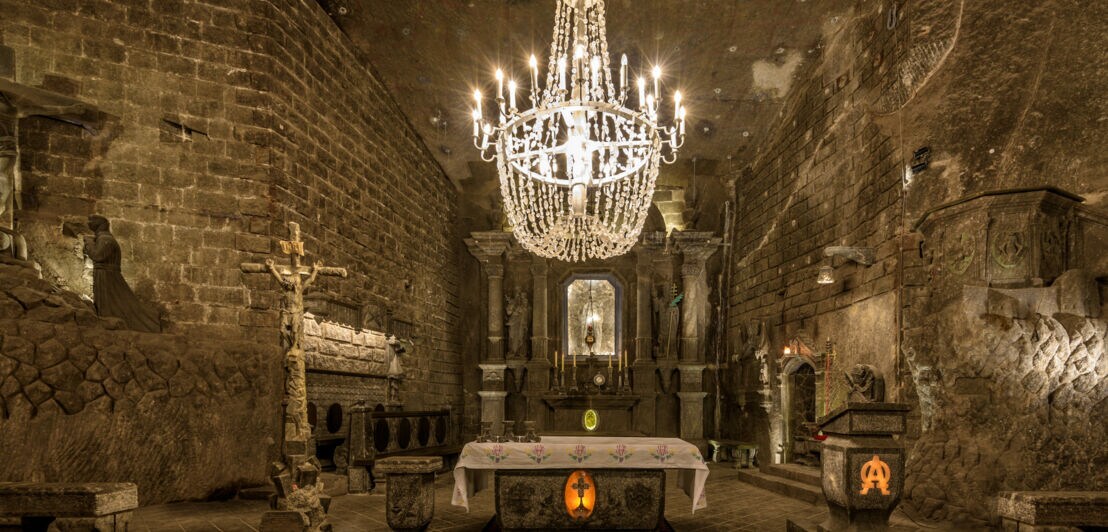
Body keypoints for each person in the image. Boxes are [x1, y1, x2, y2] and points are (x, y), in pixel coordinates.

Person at [82, 215, 160, 332]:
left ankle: (149, 323)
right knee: (112, 304)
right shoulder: (103, 238)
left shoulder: (105, 239)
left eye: (92, 221)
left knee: (115, 304)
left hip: (107, 276)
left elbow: (97, 256)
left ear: (99, 225)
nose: (89, 223)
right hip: (104, 274)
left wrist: (89, 243)